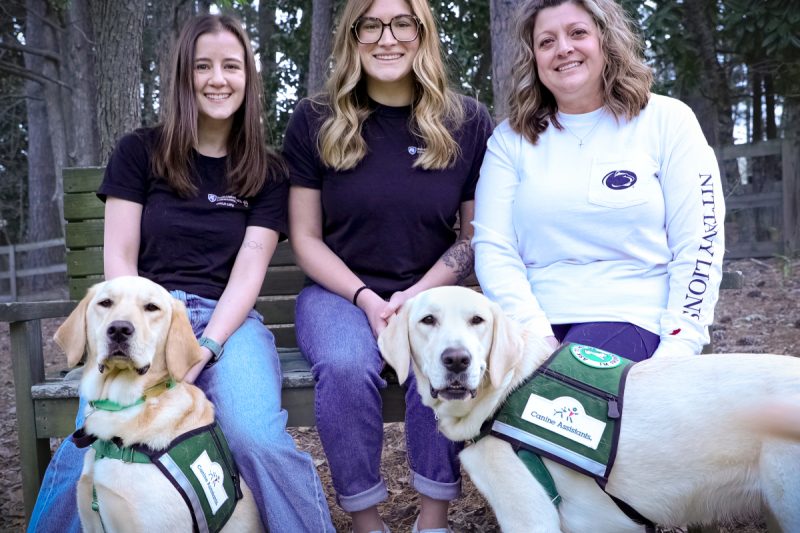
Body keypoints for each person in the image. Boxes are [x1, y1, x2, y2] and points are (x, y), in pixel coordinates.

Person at [27, 14, 334, 533]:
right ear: (183, 77)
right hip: (141, 321)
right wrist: (144, 336)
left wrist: (205, 347)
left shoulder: (266, 170)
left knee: (258, 437)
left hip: (227, 326)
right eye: (204, 66)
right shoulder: (139, 152)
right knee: (89, 441)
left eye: (231, 66)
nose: (218, 78)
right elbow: (119, 261)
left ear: (248, 79)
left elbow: (249, 270)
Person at [282, 0, 494, 531]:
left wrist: (415, 299)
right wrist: (368, 300)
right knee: (346, 367)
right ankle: (366, 519)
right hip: (338, 295)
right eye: (370, 25)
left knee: (440, 355)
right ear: (352, 36)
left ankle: (432, 518)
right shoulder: (316, 120)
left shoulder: (465, 121)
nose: (387, 38)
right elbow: (305, 239)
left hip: (432, 294)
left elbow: (474, 235)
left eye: (403, 23)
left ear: (423, 33)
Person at [473, 0, 726, 363]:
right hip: (529, 324)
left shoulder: (667, 121)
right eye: (546, 42)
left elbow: (700, 243)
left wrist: (679, 344)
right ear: (533, 58)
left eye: (578, 33)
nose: (563, 49)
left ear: (606, 40)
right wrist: (535, 333)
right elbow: (494, 249)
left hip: (633, 317)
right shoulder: (510, 141)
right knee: (451, 390)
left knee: (568, 390)